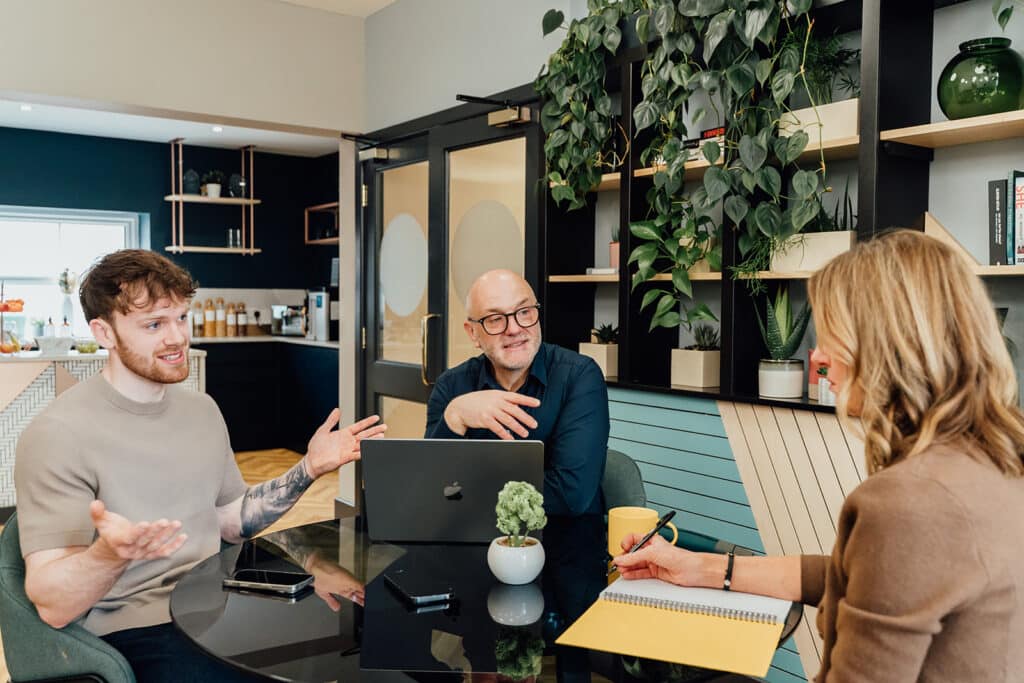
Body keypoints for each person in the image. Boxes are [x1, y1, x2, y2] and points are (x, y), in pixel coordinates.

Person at [611, 230, 1024, 681]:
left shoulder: (912, 504)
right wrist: (703, 567)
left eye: (833, 337)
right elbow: (859, 576)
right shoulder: (994, 458)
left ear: (889, 344)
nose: (819, 358)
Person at [14, 249, 386, 682]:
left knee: (352, 659)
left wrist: (309, 468)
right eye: (154, 324)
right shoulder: (58, 433)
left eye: (181, 318)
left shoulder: (202, 410)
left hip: (218, 605)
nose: (177, 338)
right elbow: (53, 605)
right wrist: (110, 556)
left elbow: (231, 521)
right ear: (104, 333)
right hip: (136, 631)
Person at [425, 269, 609, 516]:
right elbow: (433, 489)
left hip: (556, 547)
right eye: (495, 319)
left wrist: (467, 490)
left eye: (524, 312)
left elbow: (570, 495)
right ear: (472, 333)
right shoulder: (451, 386)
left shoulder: (579, 377)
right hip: (470, 544)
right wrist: (454, 416)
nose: (513, 328)